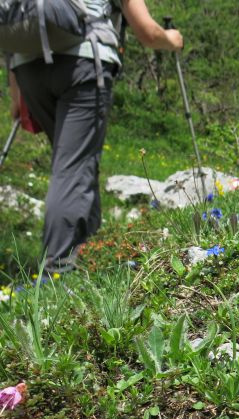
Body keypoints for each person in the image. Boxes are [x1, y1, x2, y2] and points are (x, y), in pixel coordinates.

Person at [8, 0, 183, 274]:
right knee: (73, 169)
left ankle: (88, 249)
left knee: (76, 165)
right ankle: (57, 272)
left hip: (27, 68)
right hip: (83, 61)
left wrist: (17, 95)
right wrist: (172, 40)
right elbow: (148, 33)